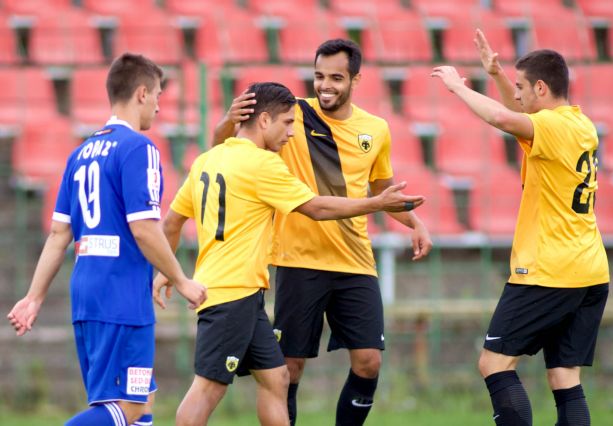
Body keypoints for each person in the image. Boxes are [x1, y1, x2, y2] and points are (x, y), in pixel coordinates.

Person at [154, 81, 424, 426]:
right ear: (264, 120)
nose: (292, 132)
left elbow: (172, 222)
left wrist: (167, 271)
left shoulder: (208, 159)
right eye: (287, 123)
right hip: (229, 295)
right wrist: (376, 203)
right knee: (207, 389)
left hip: (244, 294)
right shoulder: (262, 165)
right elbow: (316, 208)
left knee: (277, 377)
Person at [214, 38, 433, 426]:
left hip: (355, 262)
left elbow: (381, 189)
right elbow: (223, 150)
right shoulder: (291, 116)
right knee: (289, 368)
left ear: (355, 80)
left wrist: (415, 222)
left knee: (368, 361)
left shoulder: (376, 129)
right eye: (319, 76)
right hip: (298, 261)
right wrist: (227, 121)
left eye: (335, 77)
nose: (325, 85)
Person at [6, 53, 208, 426]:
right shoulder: (139, 148)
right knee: (129, 407)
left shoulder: (80, 154)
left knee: (141, 400)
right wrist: (181, 280)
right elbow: (144, 228)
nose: (159, 107)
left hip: (88, 294)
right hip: (121, 296)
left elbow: (58, 235)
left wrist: (34, 298)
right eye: (158, 95)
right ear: (142, 94)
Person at [431, 29, 610, 426]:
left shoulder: (553, 128)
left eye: (521, 87)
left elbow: (502, 118)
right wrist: (497, 75)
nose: (516, 94)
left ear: (541, 88)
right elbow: (520, 117)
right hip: (590, 271)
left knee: (494, 363)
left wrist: (458, 87)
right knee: (564, 377)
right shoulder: (579, 124)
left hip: (549, 270)